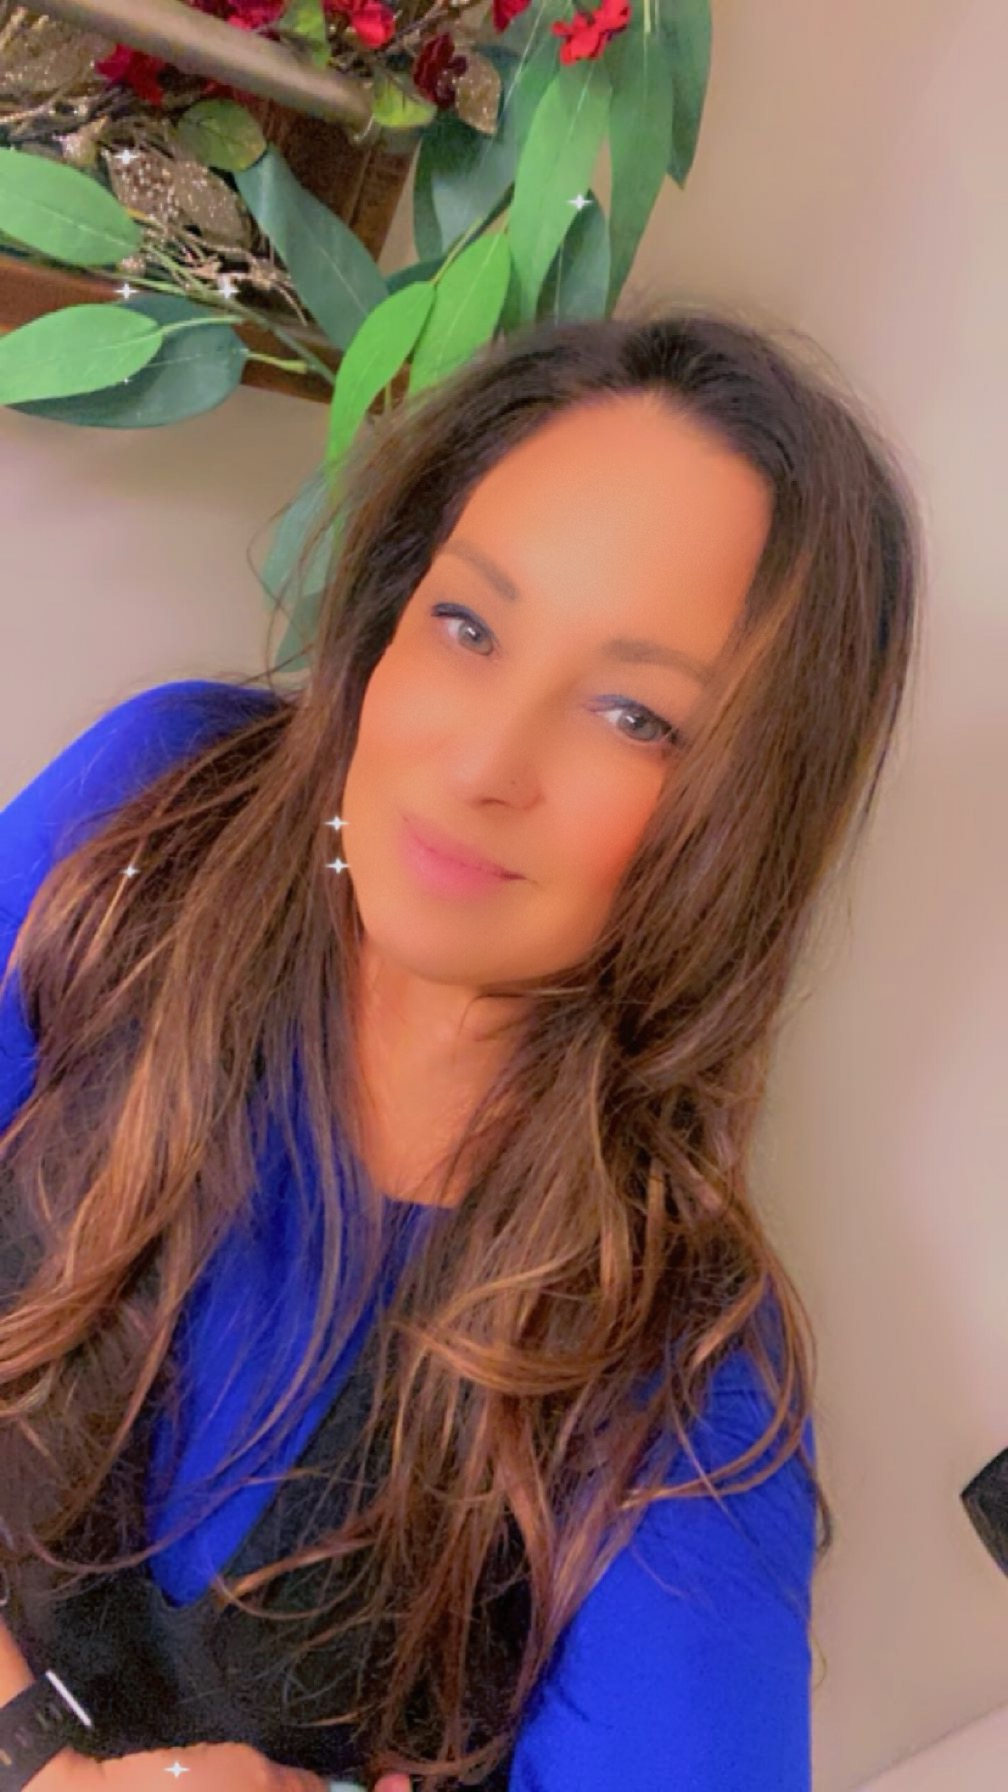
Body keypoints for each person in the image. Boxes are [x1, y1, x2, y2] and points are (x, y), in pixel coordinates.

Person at [0, 308, 921, 1792]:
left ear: (740, 817)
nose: (485, 764)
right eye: (470, 626)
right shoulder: (155, 823)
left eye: (633, 715)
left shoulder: (679, 1380)